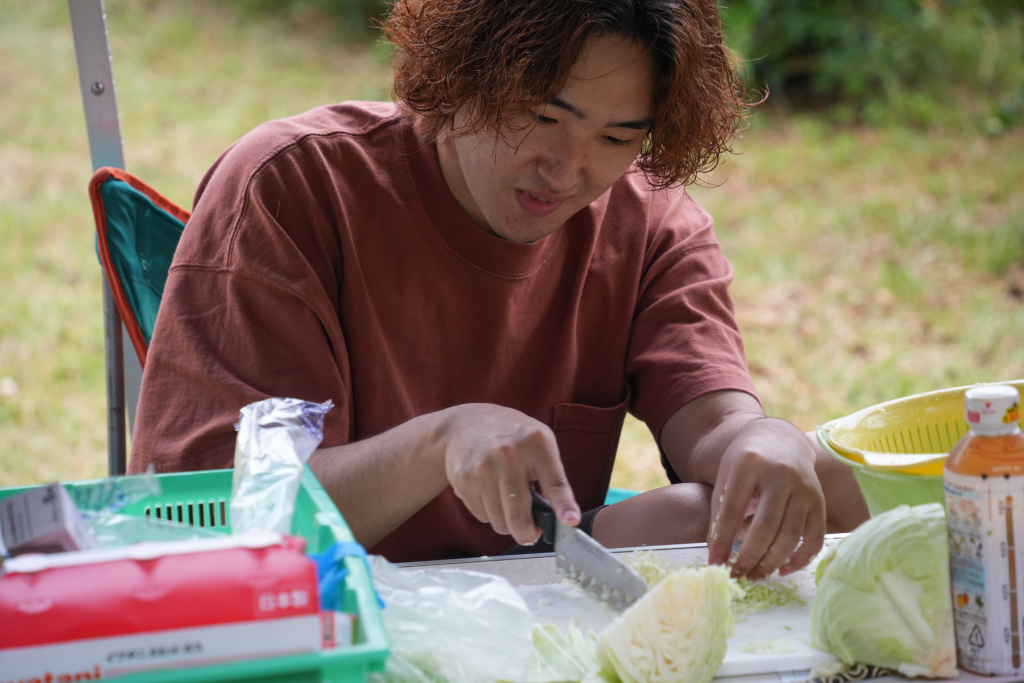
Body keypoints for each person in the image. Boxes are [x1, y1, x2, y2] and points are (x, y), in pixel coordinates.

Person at [130, 0, 868, 577]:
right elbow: (216, 514)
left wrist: (761, 436)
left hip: (540, 588)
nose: (566, 169)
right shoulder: (291, 188)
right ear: (463, 71)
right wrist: (439, 443)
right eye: (543, 116)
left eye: (617, 138)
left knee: (807, 486)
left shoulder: (648, 222)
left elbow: (712, 423)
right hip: (326, 594)